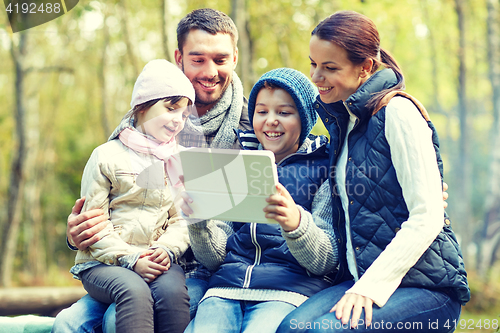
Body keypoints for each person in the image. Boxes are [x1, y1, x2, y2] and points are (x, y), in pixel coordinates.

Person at [53, 8, 251, 333]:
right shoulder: (151, 112)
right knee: (68, 324)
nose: (210, 71)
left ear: (235, 58)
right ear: (179, 57)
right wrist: (77, 235)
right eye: (198, 59)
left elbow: (252, 218)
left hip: (201, 268)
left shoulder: (252, 127)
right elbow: (119, 195)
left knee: (119, 319)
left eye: (220, 59)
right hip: (127, 260)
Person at [276, 10, 470, 333]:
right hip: (362, 280)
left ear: (365, 67)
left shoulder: (398, 113)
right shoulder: (344, 123)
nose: (316, 77)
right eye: (313, 64)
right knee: (289, 329)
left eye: (329, 67)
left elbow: (428, 216)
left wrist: (367, 289)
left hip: (426, 288)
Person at [183, 68, 338, 333]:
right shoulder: (237, 160)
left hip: (287, 291)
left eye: (284, 113)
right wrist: (199, 223)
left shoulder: (325, 168)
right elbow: (215, 258)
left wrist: (296, 224)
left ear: (305, 118)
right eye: (262, 111)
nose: (271, 121)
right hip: (224, 288)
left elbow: (325, 260)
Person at [53, 59, 195, 333]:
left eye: (185, 114)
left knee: (173, 292)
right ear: (142, 106)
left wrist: (165, 250)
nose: (178, 119)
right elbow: (94, 226)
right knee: (133, 291)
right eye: (170, 108)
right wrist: (131, 259)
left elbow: (184, 219)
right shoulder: (106, 156)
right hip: (104, 262)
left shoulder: (180, 160)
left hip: (157, 258)